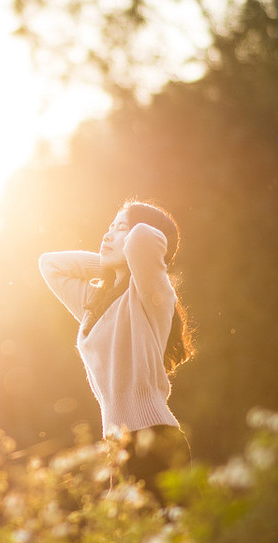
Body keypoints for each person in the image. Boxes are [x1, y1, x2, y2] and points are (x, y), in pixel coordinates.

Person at [39, 200, 195, 496]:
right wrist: (108, 263)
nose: (107, 235)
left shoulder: (150, 293)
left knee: (179, 539)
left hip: (155, 438)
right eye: (108, 228)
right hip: (117, 447)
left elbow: (143, 239)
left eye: (120, 228)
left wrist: (120, 256)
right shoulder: (94, 301)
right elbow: (50, 265)